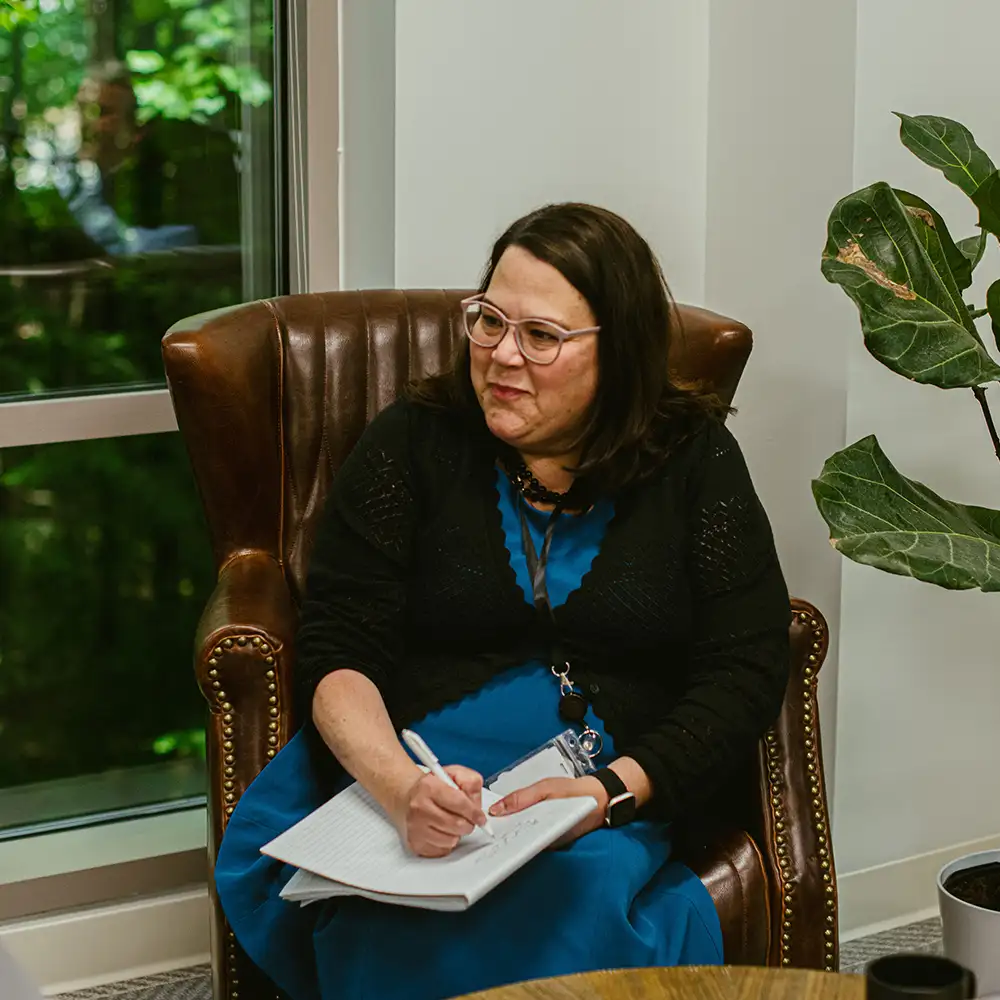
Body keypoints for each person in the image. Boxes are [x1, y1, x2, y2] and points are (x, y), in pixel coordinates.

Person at [215, 203, 791, 1000]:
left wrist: (610, 793)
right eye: (488, 321)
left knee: (573, 903)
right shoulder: (414, 441)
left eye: (541, 336)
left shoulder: (695, 460)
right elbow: (340, 645)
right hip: (418, 758)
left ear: (616, 353)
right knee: (388, 913)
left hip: (594, 784)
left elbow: (748, 664)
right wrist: (399, 789)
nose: (501, 357)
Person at [56, 63, 239, 255]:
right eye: (83, 111)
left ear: (135, 128)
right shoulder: (71, 186)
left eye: (103, 112)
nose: (89, 124)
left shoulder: (162, 182)